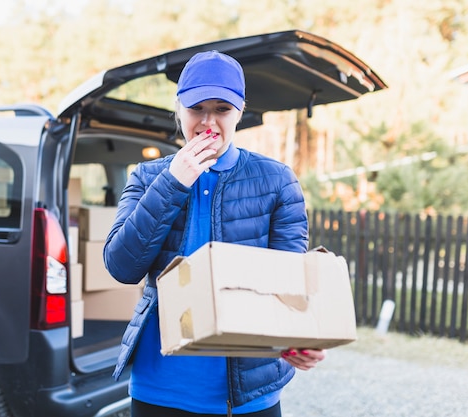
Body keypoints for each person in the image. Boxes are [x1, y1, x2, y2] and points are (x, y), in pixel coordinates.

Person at [104, 50, 325, 417]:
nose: (208, 123)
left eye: (222, 109)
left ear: (240, 111)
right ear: (178, 109)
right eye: (196, 109)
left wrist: (300, 338)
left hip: (248, 394)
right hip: (160, 388)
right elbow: (121, 266)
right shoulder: (146, 177)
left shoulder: (276, 180)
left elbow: (290, 283)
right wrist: (174, 181)